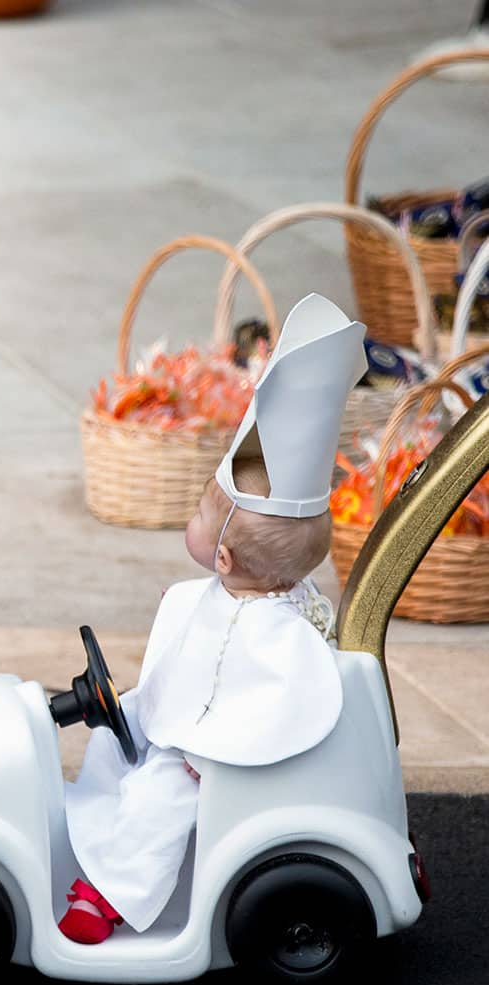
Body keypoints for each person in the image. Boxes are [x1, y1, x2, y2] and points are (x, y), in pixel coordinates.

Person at [59, 293, 368, 944]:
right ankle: (89, 840)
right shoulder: (226, 594)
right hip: (182, 734)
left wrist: (215, 757)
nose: (190, 520)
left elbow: (278, 709)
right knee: (114, 748)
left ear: (221, 553)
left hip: (223, 760)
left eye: (200, 514)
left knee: (158, 796)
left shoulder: (283, 632)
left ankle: (108, 895)